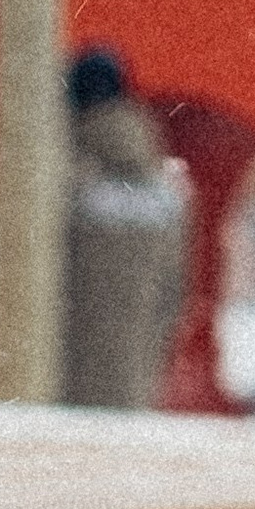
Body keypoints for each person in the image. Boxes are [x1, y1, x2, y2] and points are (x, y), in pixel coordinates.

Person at [63, 44, 191, 411]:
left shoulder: (64, 180)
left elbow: (21, 282)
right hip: (133, 388)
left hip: (62, 386)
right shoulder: (168, 194)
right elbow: (175, 296)